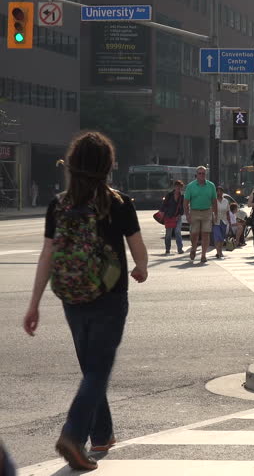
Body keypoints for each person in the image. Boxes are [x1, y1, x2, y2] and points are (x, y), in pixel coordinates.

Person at [22, 131, 148, 471]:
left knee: (91, 367)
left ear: (72, 165)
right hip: (110, 295)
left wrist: (34, 304)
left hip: (71, 297)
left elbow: (46, 255)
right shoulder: (118, 203)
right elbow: (138, 248)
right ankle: (73, 435)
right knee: (98, 369)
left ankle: (102, 435)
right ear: (107, 166)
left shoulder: (58, 205)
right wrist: (141, 268)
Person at [183, 166, 217, 264]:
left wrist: (215, 214)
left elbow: (214, 201)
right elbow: (185, 202)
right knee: (194, 233)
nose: (202, 175)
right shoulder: (191, 186)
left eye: (203, 173)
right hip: (194, 212)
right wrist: (187, 215)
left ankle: (203, 255)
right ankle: (193, 248)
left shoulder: (211, 185)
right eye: (200, 173)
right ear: (196, 175)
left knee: (206, 234)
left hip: (207, 212)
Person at [160, 180, 184, 255]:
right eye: (177, 187)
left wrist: (180, 214)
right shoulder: (169, 195)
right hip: (169, 217)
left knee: (177, 232)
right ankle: (167, 249)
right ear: (174, 187)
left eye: (180, 187)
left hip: (177, 217)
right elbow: (164, 205)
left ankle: (180, 249)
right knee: (168, 234)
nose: (178, 189)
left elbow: (182, 208)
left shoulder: (182, 197)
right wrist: (162, 212)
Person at [212, 186, 230, 259]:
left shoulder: (226, 201)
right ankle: (218, 252)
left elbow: (227, 211)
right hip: (216, 221)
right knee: (217, 236)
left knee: (222, 237)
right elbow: (211, 210)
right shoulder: (214, 200)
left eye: (220, 191)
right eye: (217, 191)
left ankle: (220, 251)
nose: (219, 193)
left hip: (224, 221)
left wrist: (229, 221)